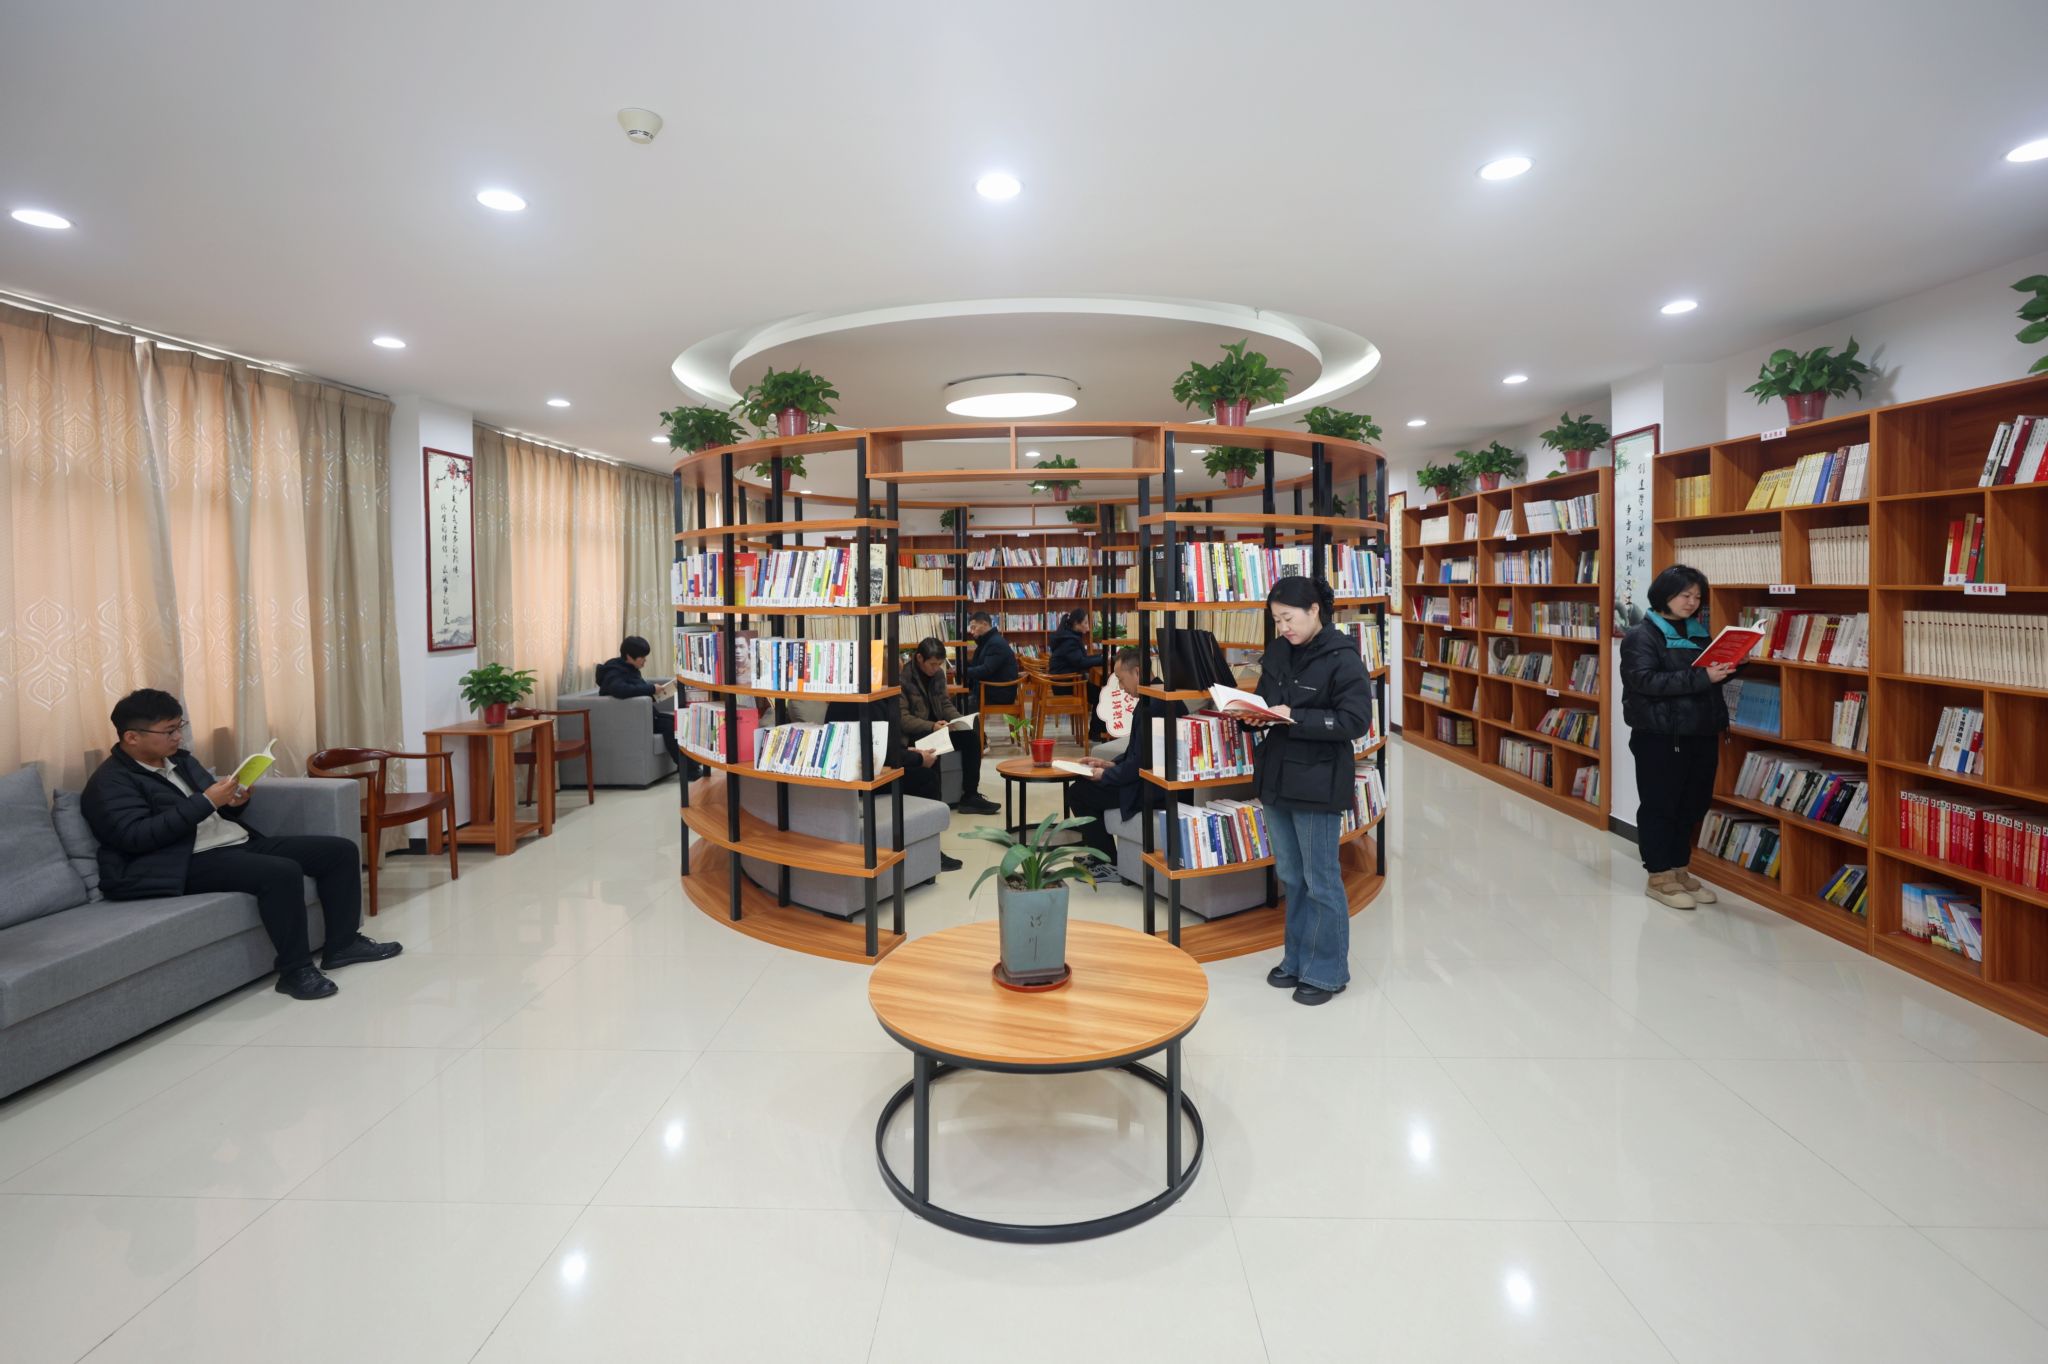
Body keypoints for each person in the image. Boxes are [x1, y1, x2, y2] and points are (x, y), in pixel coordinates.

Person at [80, 689, 400, 1000]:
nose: (178, 737)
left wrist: (235, 800)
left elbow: (215, 808)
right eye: (169, 731)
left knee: (339, 851)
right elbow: (136, 837)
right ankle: (295, 971)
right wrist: (206, 801)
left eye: (180, 727)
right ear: (132, 737)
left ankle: (343, 945)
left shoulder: (180, 760)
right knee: (280, 872)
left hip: (230, 843)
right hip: (176, 863)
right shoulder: (110, 783)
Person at [1248, 576, 1372, 1006]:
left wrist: (1295, 715)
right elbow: (1267, 700)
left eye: (1288, 618)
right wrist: (1254, 715)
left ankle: (1328, 971)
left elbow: (1355, 721)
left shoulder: (1342, 657)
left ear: (1315, 610)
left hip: (1318, 781)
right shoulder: (1279, 652)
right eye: (1276, 620)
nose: (1283, 627)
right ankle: (1297, 958)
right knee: (1291, 876)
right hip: (1277, 777)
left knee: (1321, 879)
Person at [1620, 564, 1734, 911]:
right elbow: (1644, 681)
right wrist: (1703, 678)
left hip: (1701, 730)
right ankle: (1659, 876)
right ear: (1664, 595)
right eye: (1685, 595)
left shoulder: (1699, 633)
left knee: (1692, 804)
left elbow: (1706, 676)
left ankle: (1679, 869)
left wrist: (1733, 665)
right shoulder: (1641, 635)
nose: (1692, 602)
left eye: (1697, 597)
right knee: (1660, 805)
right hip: (1660, 735)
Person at [824, 696, 964, 872]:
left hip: (858, 771)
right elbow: (884, 753)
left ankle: (928, 843)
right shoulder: (872, 702)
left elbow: (881, 748)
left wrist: (909, 752)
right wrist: (918, 758)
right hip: (862, 779)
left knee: (923, 766)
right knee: (927, 777)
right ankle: (932, 853)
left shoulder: (845, 698)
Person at [901, 636, 1002, 815]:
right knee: (933, 747)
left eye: (939, 664)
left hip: (939, 728)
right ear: (919, 658)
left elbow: (945, 703)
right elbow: (903, 719)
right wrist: (932, 726)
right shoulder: (903, 679)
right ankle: (935, 804)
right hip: (916, 734)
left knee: (970, 737)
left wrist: (959, 721)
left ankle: (970, 795)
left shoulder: (938, 675)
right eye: (932, 664)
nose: (936, 668)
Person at [597, 635, 690, 777]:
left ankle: (689, 766)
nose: (644, 661)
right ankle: (688, 770)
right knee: (671, 726)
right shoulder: (614, 672)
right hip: (631, 720)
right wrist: (651, 689)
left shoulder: (631, 668)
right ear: (629, 656)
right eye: (642, 658)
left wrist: (656, 693)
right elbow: (620, 690)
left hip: (644, 715)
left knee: (679, 721)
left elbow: (636, 690)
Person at [1049, 607, 1110, 740]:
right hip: (1066, 685)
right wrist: (1104, 659)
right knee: (1103, 695)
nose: (1088, 627)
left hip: (1068, 682)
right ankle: (1096, 733)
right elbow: (1081, 662)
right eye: (1086, 623)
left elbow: (1081, 659)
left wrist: (1102, 657)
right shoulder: (1069, 641)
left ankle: (1097, 732)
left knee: (1101, 693)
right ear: (1077, 624)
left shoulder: (1069, 637)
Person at [962, 610, 1019, 711]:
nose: (972, 632)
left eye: (974, 627)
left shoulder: (995, 643)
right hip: (990, 690)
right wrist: (962, 666)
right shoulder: (987, 641)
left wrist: (963, 671)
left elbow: (986, 670)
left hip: (998, 695)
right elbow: (978, 665)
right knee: (955, 702)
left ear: (985, 624)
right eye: (971, 628)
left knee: (958, 705)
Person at [1094, 645, 1143, 760]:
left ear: (1137, 672)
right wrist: (1111, 764)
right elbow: (1133, 753)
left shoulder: (1152, 705)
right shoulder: (1147, 700)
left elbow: (1138, 763)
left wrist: (1108, 770)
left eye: (1121, 680)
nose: (1120, 687)